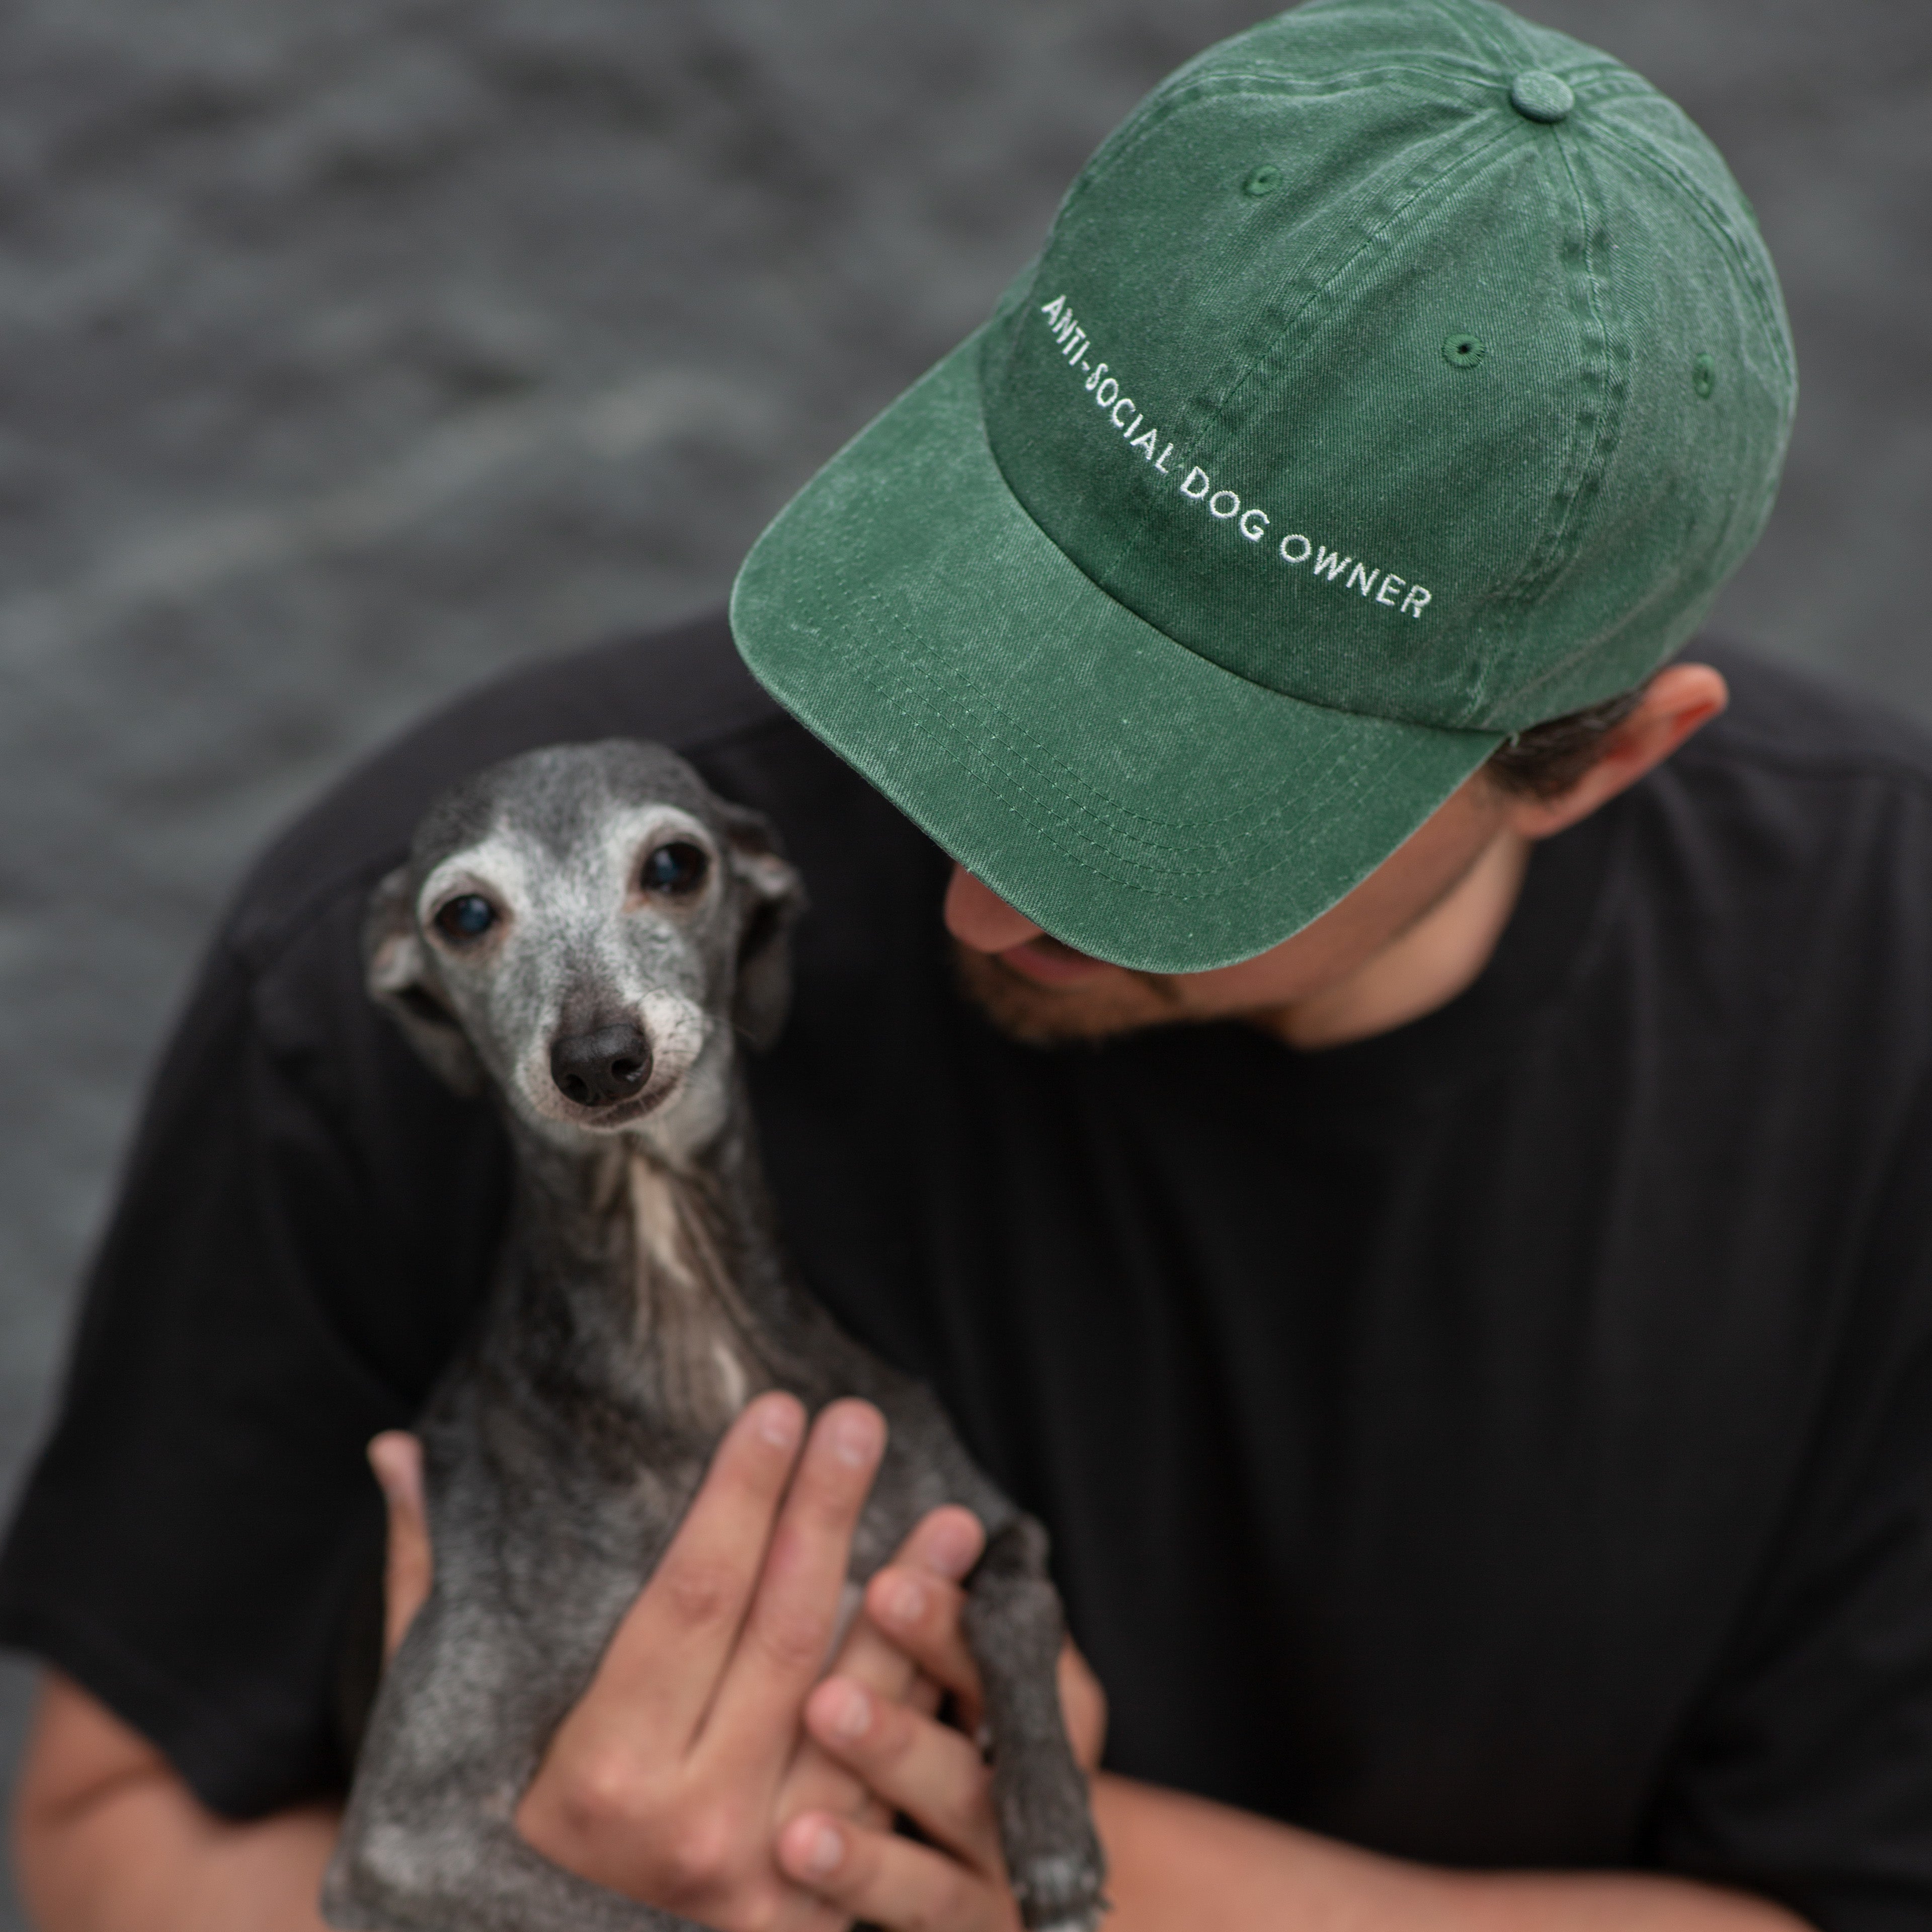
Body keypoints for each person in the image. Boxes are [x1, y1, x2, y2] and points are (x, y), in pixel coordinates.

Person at [7, 3, 1931, 1929]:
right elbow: (106, 1845)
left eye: (1190, 814)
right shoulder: (471, 932)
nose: (978, 909)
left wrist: (1013, 1864)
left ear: (1602, 762)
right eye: (1005, 653)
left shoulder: (1884, 1007)